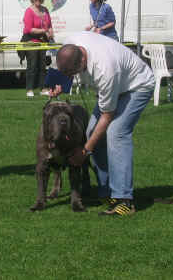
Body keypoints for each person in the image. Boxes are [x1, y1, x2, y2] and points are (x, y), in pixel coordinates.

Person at [49, 31, 155, 216]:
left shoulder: (105, 68)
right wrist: (57, 84)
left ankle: (125, 201)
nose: (73, 76)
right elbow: (64, 71)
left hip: (137, 86)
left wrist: (84, 152)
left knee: (116, 133)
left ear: (83, 62)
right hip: (117, 85)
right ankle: (107, 192)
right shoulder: (70, 45)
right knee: (92, 134)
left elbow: (107, 116)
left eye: (75, 73)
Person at [22, 0, 54, 98]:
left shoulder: (45, 10)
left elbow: (49, 25)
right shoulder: (29, 11)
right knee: (32, 66)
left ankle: (43, 88)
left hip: (43, 42)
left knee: (42, 66)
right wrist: (44, 31)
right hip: (31, 41)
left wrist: (50, 33)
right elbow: (29, 29)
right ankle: (29, 89)